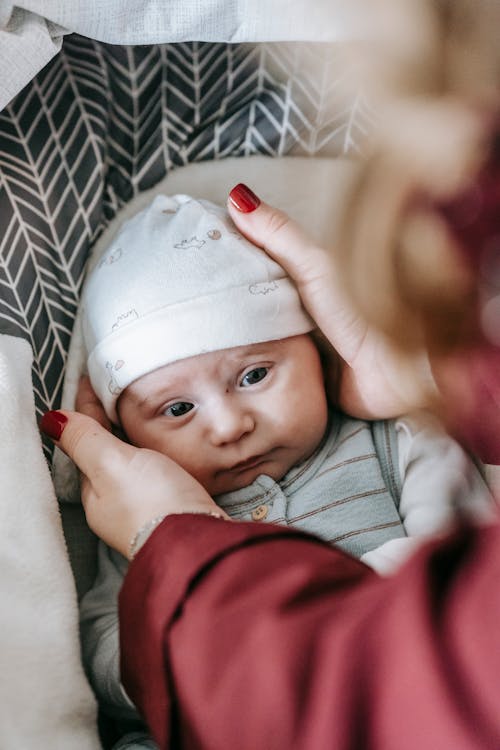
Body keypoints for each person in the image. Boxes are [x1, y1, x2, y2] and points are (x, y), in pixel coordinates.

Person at [40, 179, 500, 750]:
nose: (230, 425)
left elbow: (459, 558)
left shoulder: (394, 438)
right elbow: (102, 639)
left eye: (255, 375)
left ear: (317, 348)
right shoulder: (132, 515)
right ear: (125, 433)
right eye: (177, 409)